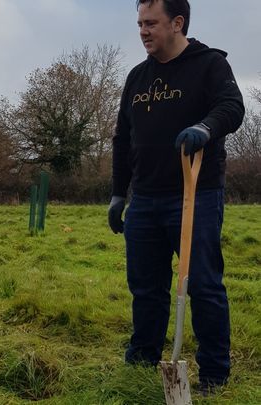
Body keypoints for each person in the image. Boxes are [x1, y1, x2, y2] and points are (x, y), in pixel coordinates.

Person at [108, 0, 244, 394]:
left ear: (177, 23)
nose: (143, 31)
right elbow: (122, 138)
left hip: (195, 194)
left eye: (151, 23)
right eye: (139, 24)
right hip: (146, 199)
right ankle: (142, 358)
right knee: (145, 286)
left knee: (202, 284)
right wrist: (119, 194)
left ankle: (215, 373)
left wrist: (205, 127)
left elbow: (232, 107)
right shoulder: (137, 77)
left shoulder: (209, 64)